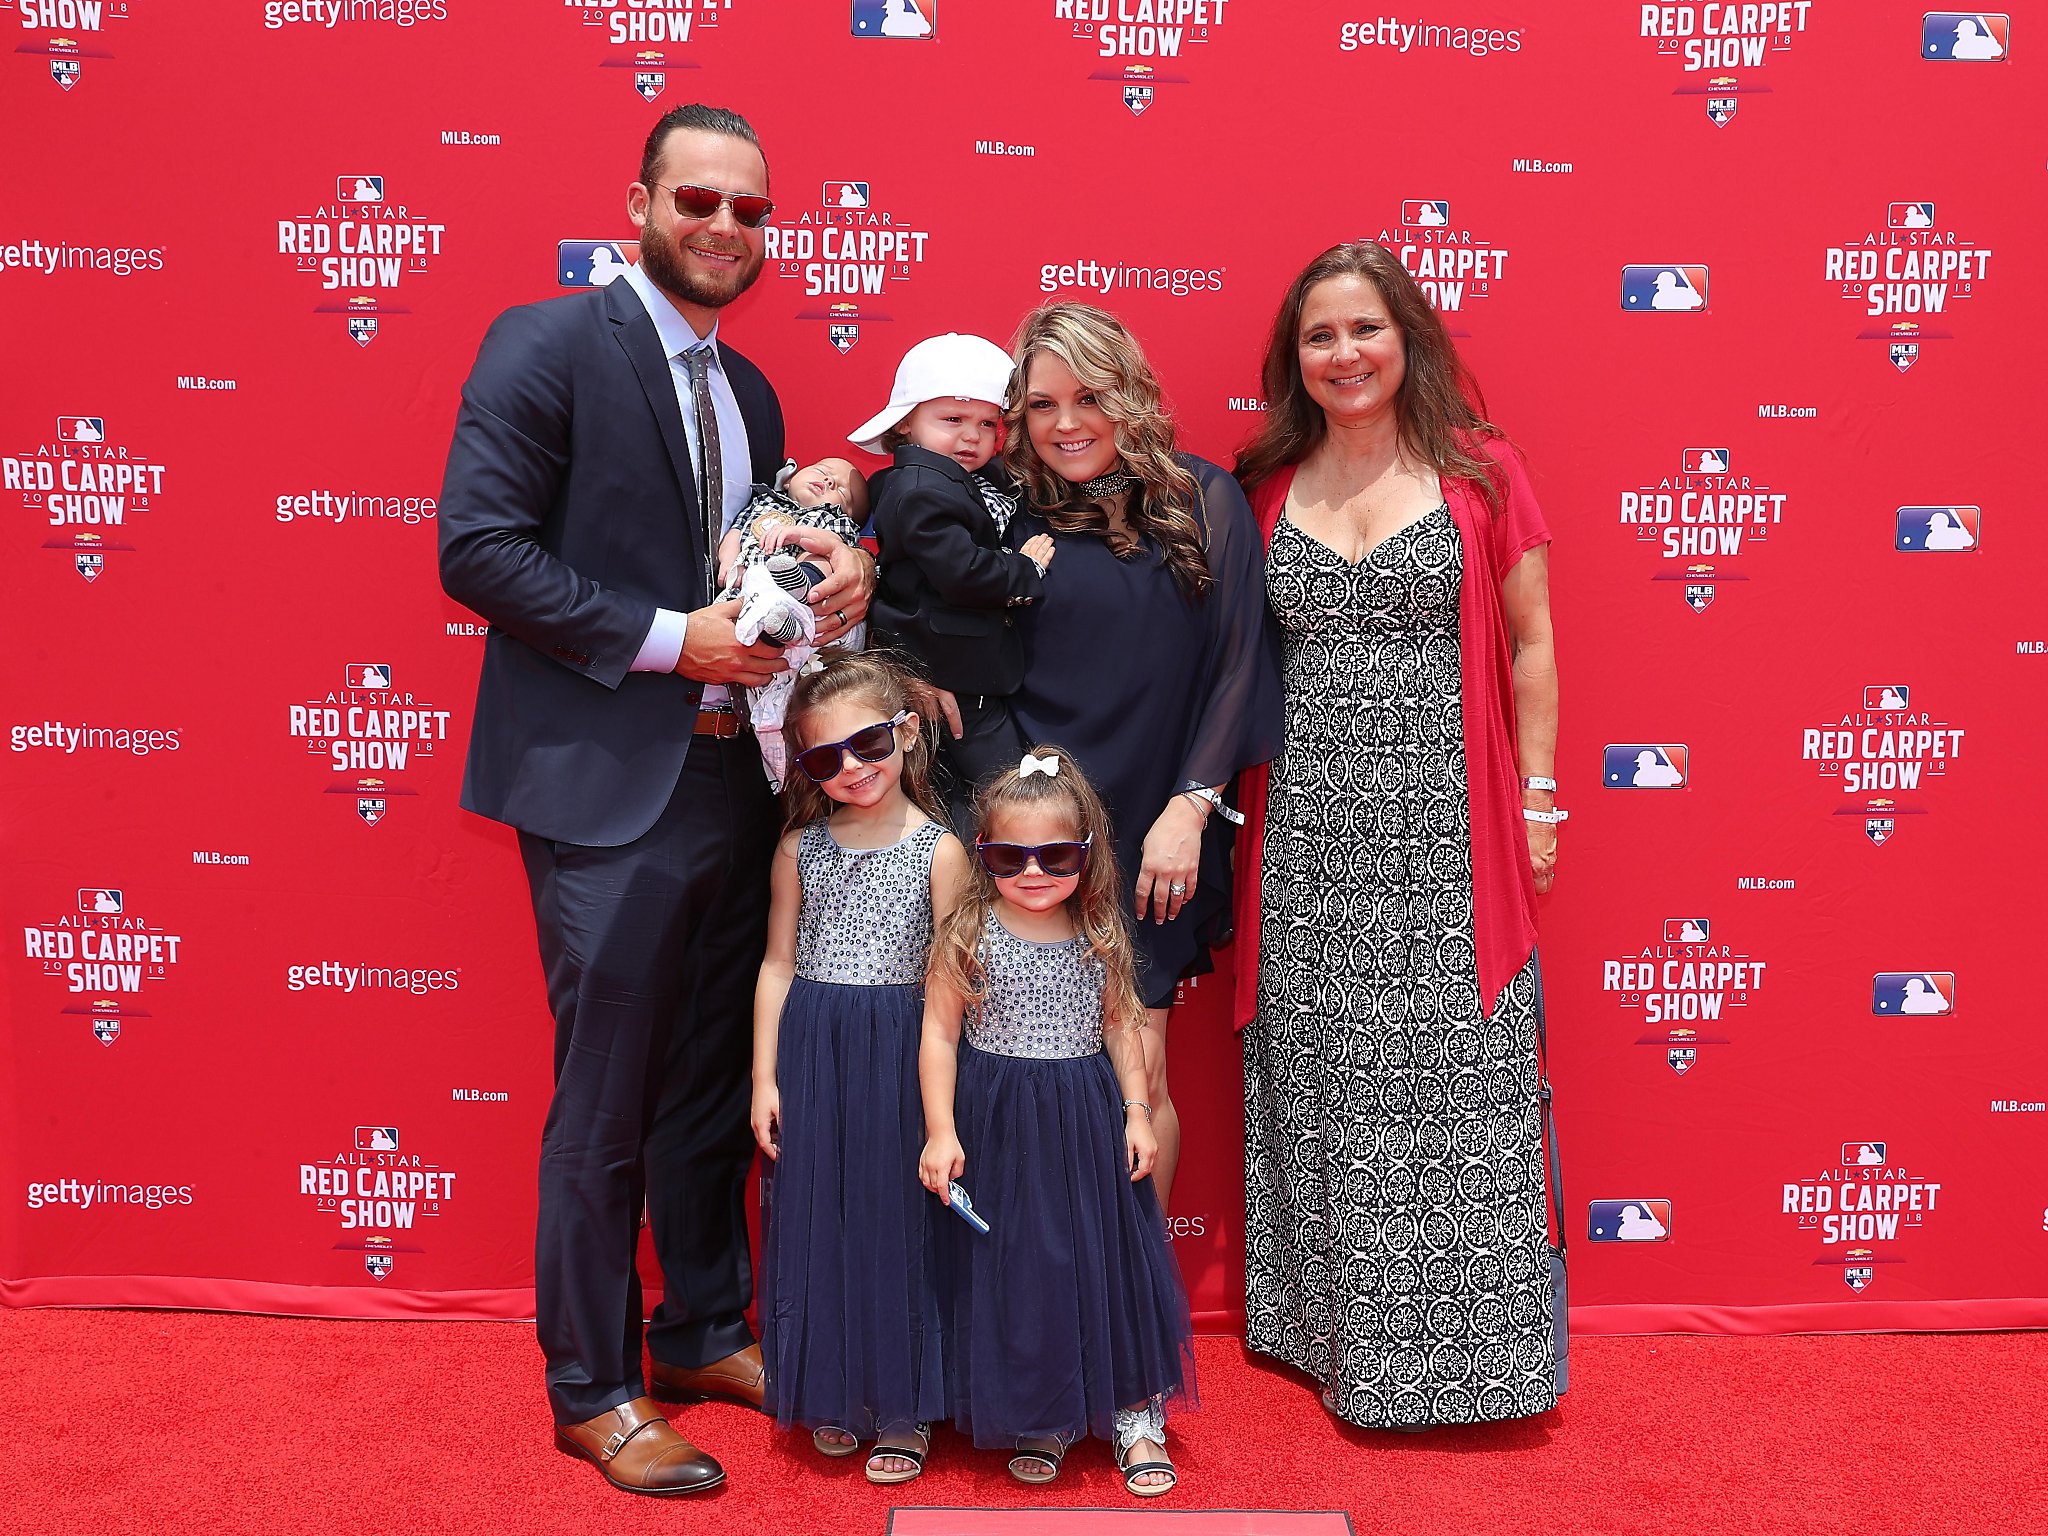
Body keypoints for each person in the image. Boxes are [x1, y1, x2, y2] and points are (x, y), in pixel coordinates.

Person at [437, 103, 874, 1496]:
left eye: (753, 213)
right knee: (609, 1097)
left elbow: (753, 575)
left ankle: (701, 1329)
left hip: (734, 775)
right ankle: (595, 1385)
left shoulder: (750, 394)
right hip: (604, 784)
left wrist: (834, 573)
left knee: (701, 1081)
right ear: (638, 199)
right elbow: (479, 549)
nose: (727, 230)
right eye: (701, 201)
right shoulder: (548, 342)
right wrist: (667, 638)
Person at [1234, 241, 1562, 1430]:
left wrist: (1536, 801)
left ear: (1406, 336)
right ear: (1295, 361)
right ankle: (1334, 1341)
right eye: (1318, 337)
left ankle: (1476, 1368)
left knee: (1456, 1077)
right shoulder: (1265, 481)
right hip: (1308, 826)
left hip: (1447, 816)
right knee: (1332, 1078)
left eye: (1363, 329)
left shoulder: (1479, 473)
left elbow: (1529, 643)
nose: (1343, 354)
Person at [994, 303, 1282, 1214]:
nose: (1067, 423)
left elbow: (1239, 663)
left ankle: (1138, 1322)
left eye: (1090, 396)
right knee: (1015, 1084)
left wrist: (1190, 808)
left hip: (1155, 838)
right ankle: (1037, 1311)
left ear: (1133, 396)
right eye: (1042, 405)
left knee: (1139, 1085)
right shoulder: (1000, 515)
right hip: (1026, 837)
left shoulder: (1202, 501)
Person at [918, 750, 1194, 1497]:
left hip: (1083, 1119)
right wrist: (942, 1130)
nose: (1032, 872)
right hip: (997, 1119)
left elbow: (1121, 1028)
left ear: (1088, 854)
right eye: (1009, 855)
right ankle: (1042, 1412)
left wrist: (1138, 1112)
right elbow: (939, 1035)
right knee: (1019, 1271)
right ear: (983, 856)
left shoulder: (1099, 931)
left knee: (1106, 1264)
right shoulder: (966, 932)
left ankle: (1137, 1415)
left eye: (1055, 855)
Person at [750, 651, 963, 1485]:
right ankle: (835, 1389)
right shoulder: (797, 849)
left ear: (906, 734)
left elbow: (949, 986)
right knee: (821, 1220)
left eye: (868, 744)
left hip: (901, 1055)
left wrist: (943, 1110)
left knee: (898, 1227)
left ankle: (904, 1404)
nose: (852, 769)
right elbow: (775, 966)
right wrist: (765, 1078)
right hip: (814, 1049)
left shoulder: (944, 851)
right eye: (824, 759)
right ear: (803, 767)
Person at [856, 332, 1056, 831]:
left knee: (958, 800)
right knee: (1011, 790)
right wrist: (1024, 570)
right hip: (954, 678)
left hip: (961, 672)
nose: (972, 437)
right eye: (952, 420)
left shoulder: (950, 479)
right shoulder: (922, 489)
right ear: (905, 422)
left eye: (988, 424)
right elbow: (962, 572)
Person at [714, 456, 872, 790]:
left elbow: (839, 554)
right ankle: (777, 622)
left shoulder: (830, 518)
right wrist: (727, 560)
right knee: (762, 688)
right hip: (747, 592)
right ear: (788, 478)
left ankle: (792, 597)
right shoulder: (762, 503)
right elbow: (735, 532)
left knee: (822, 559)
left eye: (843, 491)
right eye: (823, 471)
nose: (829, 482)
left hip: (804, 595)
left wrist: (801, 537)